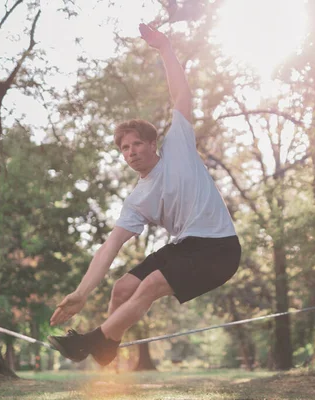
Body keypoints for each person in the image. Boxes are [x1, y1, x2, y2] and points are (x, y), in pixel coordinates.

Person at [47, 23, 241, 366]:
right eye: (125, 148)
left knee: (151, 283)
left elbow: (182, 95)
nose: (132, 151)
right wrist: (80, 292)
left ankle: (94, 341)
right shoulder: (138, 199)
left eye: (137, 143)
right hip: (187, 246)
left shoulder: (178, 145)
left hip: (220, 248)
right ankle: (107, 347)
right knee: (122, 288)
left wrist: (166, 48)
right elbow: (110, 247)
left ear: (153, 144)